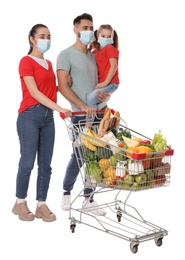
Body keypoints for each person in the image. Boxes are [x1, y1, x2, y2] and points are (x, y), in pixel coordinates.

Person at [12, 24, 72, 222]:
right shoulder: (25, 61)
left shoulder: (48, 64)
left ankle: (41, 205)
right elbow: (35, 93)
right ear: (32, 38)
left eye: (49, 36)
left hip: (48, 118)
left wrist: (66, 83)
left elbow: (48, 89)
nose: (46, 39)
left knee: (46, 165)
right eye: (42, 36)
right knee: (27, 162)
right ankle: (20, 203)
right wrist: (60, 108)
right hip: (29, 116)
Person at [56, 13, 110, 216]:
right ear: (75, 30)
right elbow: (62, 87)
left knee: (97, 157)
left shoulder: (95, 56)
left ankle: (89, 198)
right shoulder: (66, 55)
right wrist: (82, 105)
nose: (89, 32)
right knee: (79, 155)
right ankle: (66, 192)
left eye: (91, 28)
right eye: (85, 28)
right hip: (80, 114)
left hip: (100, 113)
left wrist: (105, 95)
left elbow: (98, 83)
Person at [85, 24, 120, 125]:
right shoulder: (96, 51)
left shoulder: (110, 48)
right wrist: (91, 45)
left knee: (91, 98)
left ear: (113, 38)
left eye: (109, 36)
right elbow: (86, 56)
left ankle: (88, 127)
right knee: (94, 98)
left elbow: (114, 66)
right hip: (106, 83)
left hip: (111, 83)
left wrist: (105, 83)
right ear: (97, 36)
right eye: (103, 36)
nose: (106, 39)